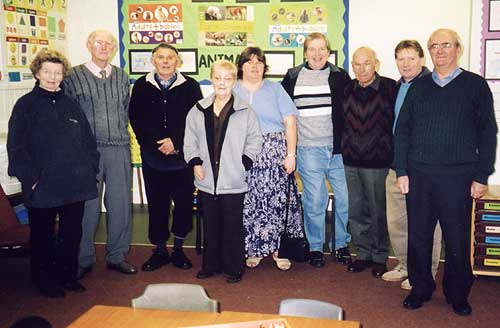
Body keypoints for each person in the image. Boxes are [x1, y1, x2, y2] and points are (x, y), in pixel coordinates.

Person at [394, 28, 497, 315]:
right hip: (419, 175)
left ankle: (457, 293)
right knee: (419, 236)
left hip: (459, 177)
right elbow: (402, 131)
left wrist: (481, 175)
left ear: (457, 48)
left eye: (446, 45)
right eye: (434, 46)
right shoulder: (419, 87)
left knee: (456, 238)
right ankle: (420, 288)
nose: (439, 51)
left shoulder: (474, 85)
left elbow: (489, 133)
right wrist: (402, 170)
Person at [7, 49, 99, 297]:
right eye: (47, 72)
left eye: (57, 73)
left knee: (71, 233)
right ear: (37, 73)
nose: (52, 77)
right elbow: (15, 147)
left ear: (63, 76)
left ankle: (67, 276)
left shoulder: (71, 104)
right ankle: (43, 280)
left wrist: (90, 168)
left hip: (74, 183)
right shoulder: (25, 105)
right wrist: (31, 179)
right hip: (42, 184)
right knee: (43, 236)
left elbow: (88, 142)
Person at [64, 30, 137, 277]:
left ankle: (117, 255)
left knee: (120, 205)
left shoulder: (121, 77)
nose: (104, 47)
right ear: (88, 45)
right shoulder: (73, 76)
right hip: (87, 151)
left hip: (118, 148)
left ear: (114, 48)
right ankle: (83, 258)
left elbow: (126, 112)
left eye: (109, 43)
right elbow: (67, 115)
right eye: (99, 42)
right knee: (88, 206)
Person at [184, 60, 262, 283]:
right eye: (218, 78)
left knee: (232, 225)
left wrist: (245, 162)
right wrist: (195, 162)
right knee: (211, 224)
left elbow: (255, 140)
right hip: (207, 178)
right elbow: (189, 140)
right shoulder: (198, 110)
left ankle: (234, 267)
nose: (222, 83)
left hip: (233, 179)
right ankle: (210, 265)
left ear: (234, 81)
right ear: (211, 79)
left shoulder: (246, 111)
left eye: (227, 79)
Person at [129, 43, 203, 271]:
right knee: (157, 206)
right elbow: (136, 118)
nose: (165, 61)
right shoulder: (142, 85)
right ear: (153, 60)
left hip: (182, 159)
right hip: (153, 159)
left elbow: (195, 120)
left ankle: (179, 250)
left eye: (170, 57)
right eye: (160, 57)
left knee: (182, 206)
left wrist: (176, 143)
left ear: (177, 61)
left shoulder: (190, 85)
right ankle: (160, 250)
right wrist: (156, 144)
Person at [282, 32, 352, 268]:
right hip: (308, 149)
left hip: (337, 150)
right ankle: (315, 247)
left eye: (322, 49)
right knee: (315, 200)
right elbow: (284, 113)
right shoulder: (292, 77)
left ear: (329, 52)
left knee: (344, 200)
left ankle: (341, 244)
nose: (317, 54)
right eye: (312, 49)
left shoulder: (339, 76)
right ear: (305, 53)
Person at [234, 47, 303, 271]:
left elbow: (290, 123)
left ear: (265, 67)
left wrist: (290, 155)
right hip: (242, 154)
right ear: (241, 65)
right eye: (249, 62)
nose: (255, 66)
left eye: (259, 62)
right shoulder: (232, 89)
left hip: (274, 153)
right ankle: (254, 248)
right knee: (249, 203)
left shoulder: (276, 90)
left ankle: (278, 250)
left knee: (278, 202)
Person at [383, 40, 442, 290]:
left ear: (421, 60)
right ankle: (406, 265)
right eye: (400, 58)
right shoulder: (397, 87)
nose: (405, 63)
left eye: (411, 58)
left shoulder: (432, 86)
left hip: (422, 167)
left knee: (426, 222)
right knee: (397, 221)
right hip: (397, 165)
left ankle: (425, 271)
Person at [341, 47, 396, 278]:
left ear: (376, 64)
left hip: (378, 162)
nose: (361, 69)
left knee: (377, 211)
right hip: (351, 160)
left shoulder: (391, 87)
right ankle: (362, 255)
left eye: (366, 63)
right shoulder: (346, 89)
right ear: (352, 66)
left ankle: (379, 257)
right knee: (356, 211)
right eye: (357, 64)